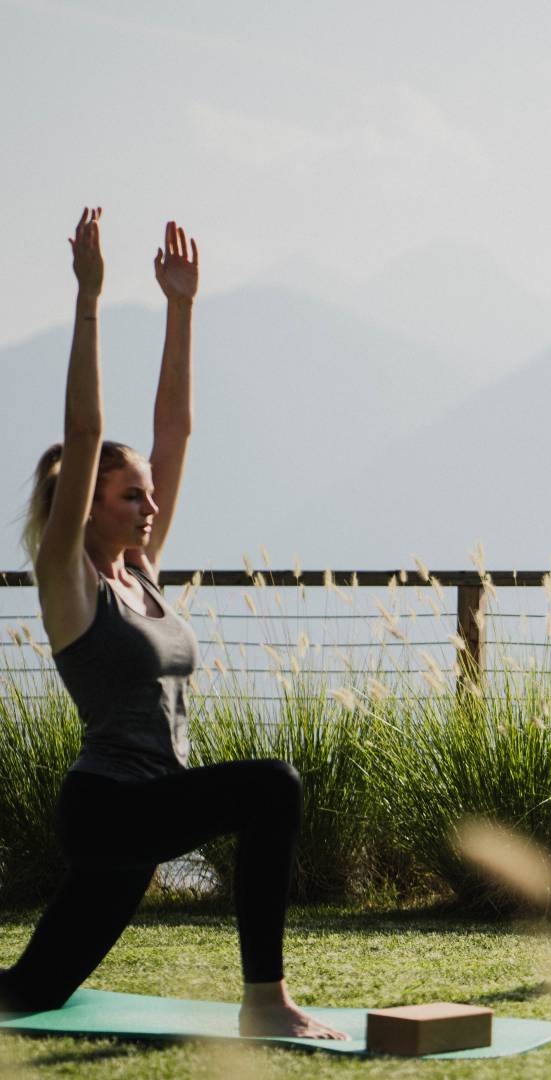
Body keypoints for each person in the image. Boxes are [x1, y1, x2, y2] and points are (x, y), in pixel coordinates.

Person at [0, 208, 345, 1039]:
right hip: (110, 807)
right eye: (132, 495)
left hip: (146, 809)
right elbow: (84, 431)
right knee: (272, 786)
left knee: (28, 993)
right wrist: (90, 298)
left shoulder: (143, 570)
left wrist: (182, 307)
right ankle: (266, 1003)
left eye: (150, 495)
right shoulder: (69, 578)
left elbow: (175, 431)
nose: (151, 507)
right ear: (86, 504)